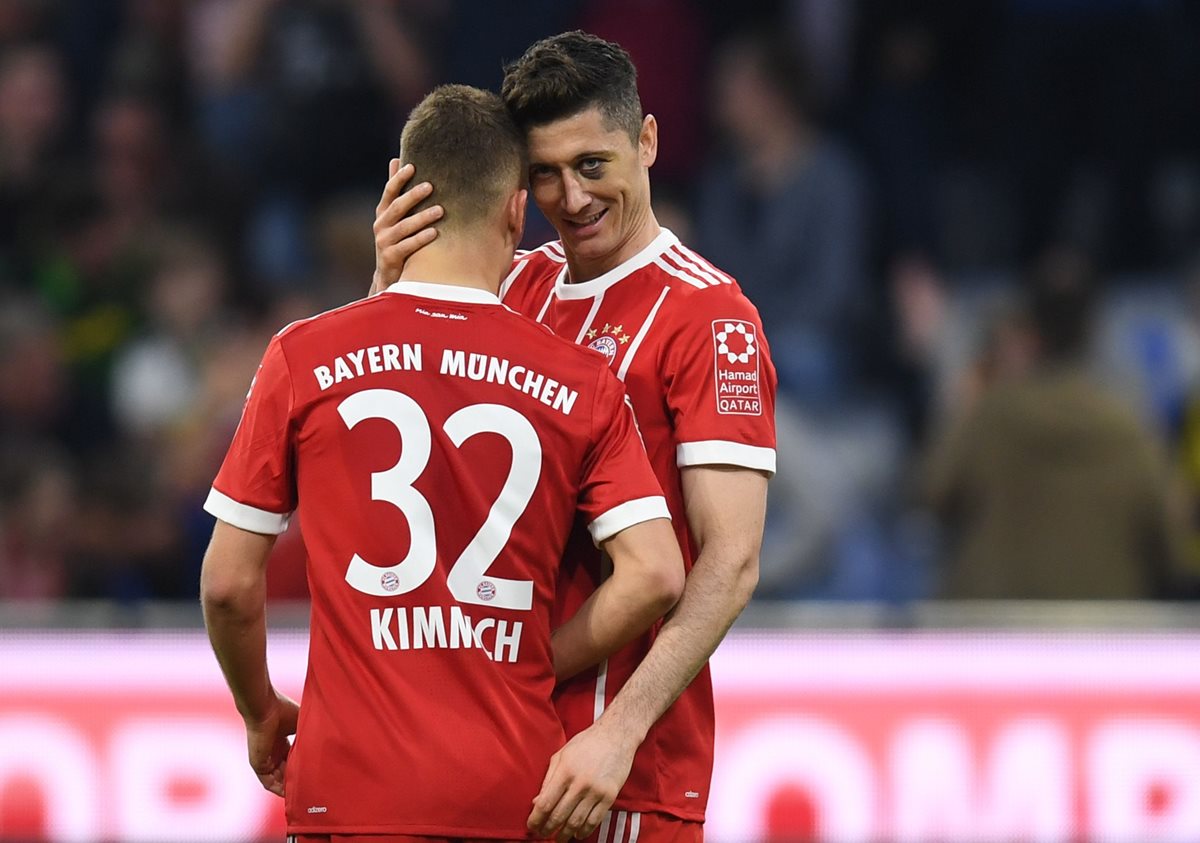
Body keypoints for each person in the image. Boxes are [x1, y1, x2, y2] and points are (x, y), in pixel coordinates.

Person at [200, 84, 686, 841]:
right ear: (516, 212)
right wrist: (533, 658)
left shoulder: (303, 356)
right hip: (508, 789)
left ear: (400, 189)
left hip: (346, 791)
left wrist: (260, 712)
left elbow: (228, 584)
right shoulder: (581, 381)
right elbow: (656, 572)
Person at [372, 32, 777, 842]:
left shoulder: (712, 319)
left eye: (593, 164)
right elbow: (394, 440)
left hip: (614, 772)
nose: (572, 197)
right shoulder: (508, 282)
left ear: (648, 140)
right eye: (546, 174)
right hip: (485, 748)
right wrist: (387, 288)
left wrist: (620, 730)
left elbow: (729, 563)